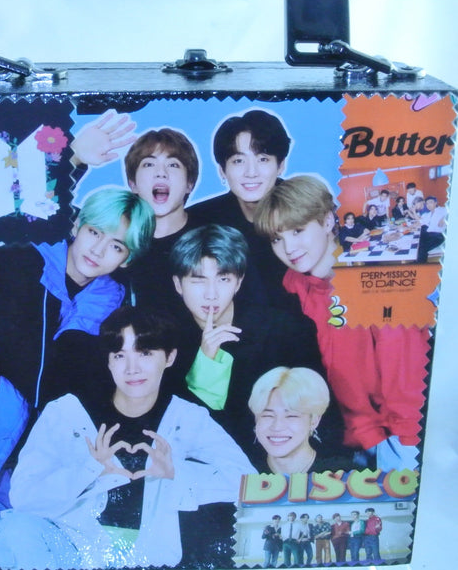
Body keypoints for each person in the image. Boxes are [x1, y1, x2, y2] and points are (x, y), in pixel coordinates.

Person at [0, 307, 255, 569]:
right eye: (119, 355)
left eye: (145, 353)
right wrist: (89, 470)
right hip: (72, 550)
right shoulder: (67, 412)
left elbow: (248, 482)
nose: (132, 368)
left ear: (170, 357)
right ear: (109, 361)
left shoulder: (187, 418)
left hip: (147, 560)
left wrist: (177, 472)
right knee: (16, 528)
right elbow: (23, 497)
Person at [0, 187, 155, 517]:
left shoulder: (111, 303)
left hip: (39, 445)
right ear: (77, 226)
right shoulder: (16, 261)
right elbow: (14, 362)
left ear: (126, 259)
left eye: (116, 246)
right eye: (94, 232)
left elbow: (70, 384)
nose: (98, 250)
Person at [255, 175, 429, 470]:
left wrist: (405, 452)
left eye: (298, 231)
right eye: (277, 238)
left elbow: (405, 383)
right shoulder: (292, 285)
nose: (289, 248)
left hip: (392, 440)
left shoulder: (377, 279)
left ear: (326, 222)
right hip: (329, 440)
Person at [169, 224, 330, 458]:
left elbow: (318, 407)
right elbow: (183, 433)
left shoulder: (282, 330)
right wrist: (206, 365)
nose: (211, 294)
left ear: (238, 282)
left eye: (223, 279)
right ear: (178, 285)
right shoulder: (167, 341)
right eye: (198, 280)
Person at [187, 109, 293, 309]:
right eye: (238, 161)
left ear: (281, 166)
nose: (251, 172)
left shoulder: (308, 212)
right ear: (222, 170)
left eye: (263, 159)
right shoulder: (200, 219)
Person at [120, 127, 200, 320]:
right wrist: (76, 159)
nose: (161, 173)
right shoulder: (117, 243)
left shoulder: (211, 236)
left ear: (189, 184)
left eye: (173, 165)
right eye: (149, 164)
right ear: (133, 184)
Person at [248, 367, 347, 474]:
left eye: (291, 416)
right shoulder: (241, 472)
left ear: (314, 420)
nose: (277, 427)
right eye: (268, 415)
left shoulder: (345, 475)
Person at [417, 195, 446, 262]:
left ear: (436, 203)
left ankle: (420, 264)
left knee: (423, 248)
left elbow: (453, 211)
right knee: (418, 244)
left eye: (431, 202)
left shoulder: (442, 210)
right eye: (427, 203)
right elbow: (421, 222)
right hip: (428, 234)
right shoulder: (428, 214)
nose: (428, 205)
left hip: (438, 236)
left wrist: (444, 218)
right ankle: (418, 261)